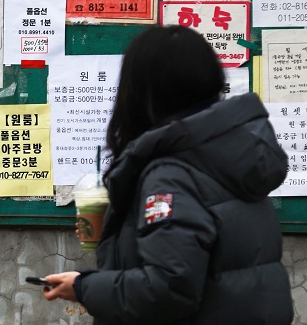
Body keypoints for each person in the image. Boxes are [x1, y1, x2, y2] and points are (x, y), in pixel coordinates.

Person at [42, 25, 293, 324]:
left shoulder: (171, 174)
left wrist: (84, 288)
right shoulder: (235, 156)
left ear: (142, 91)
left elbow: (169, 289)